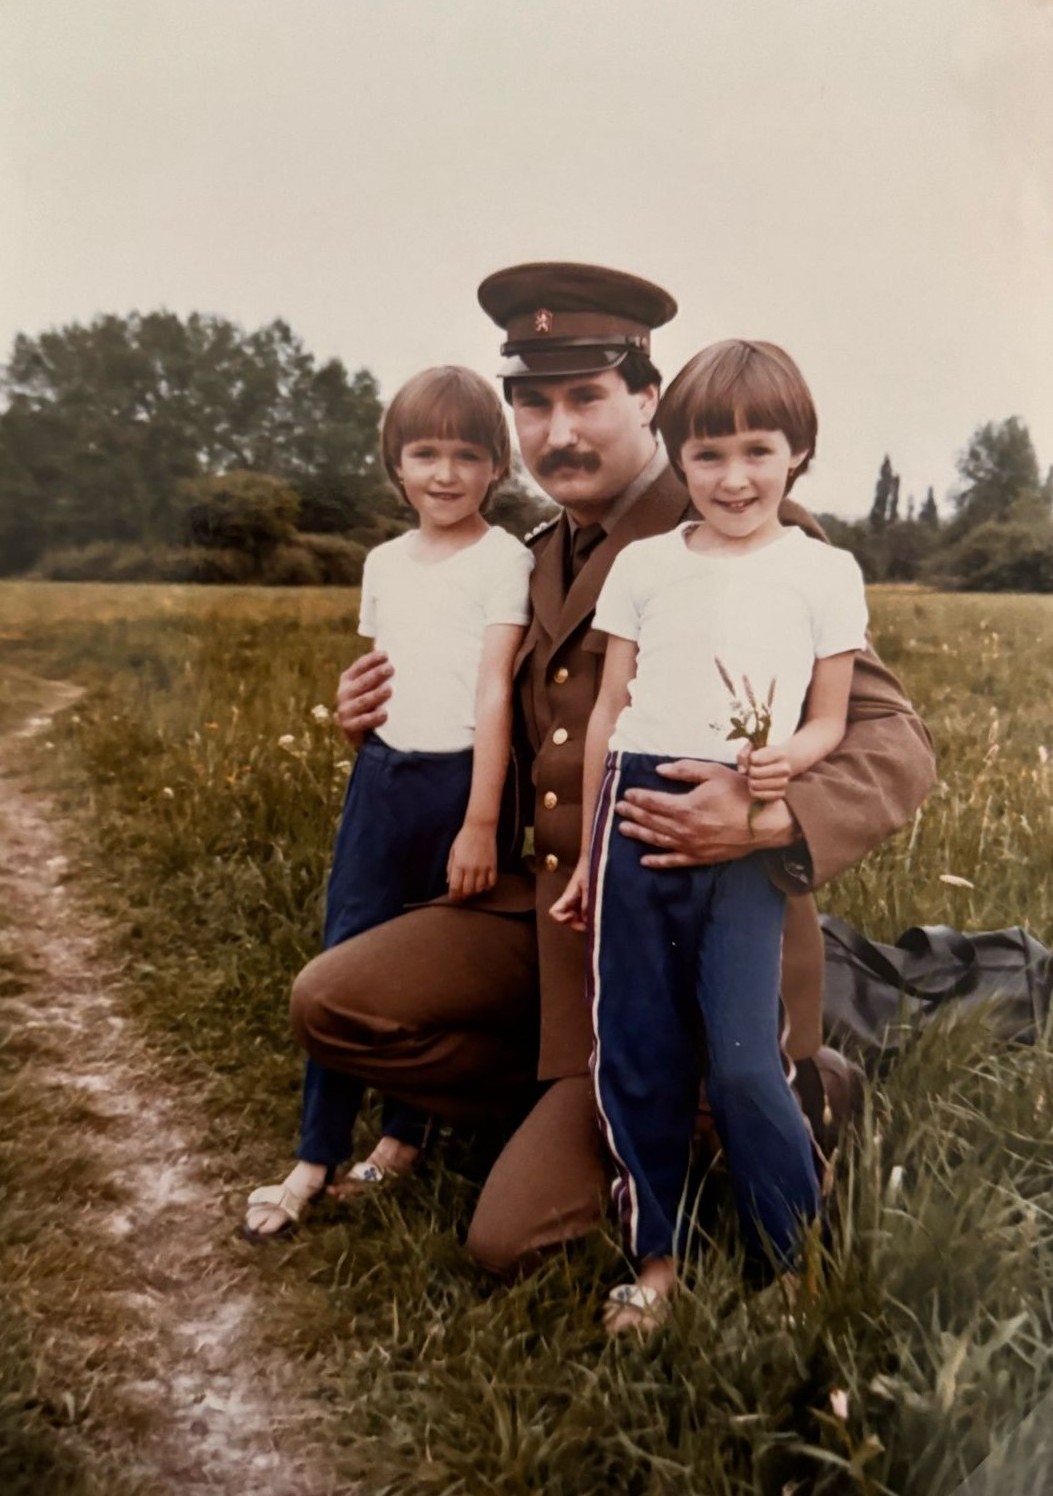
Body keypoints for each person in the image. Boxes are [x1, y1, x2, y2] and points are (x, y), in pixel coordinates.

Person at [289, 263, 936, 1276]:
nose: (559, 432)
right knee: (334, 1001)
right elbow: (519, 741)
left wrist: (769, 817)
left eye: (586, 397)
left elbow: (894, 739)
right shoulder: (537, 553)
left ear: (646, 399)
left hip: (689, 927)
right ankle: (582, 1088)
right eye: (533, 404)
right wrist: (377, 718)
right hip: (561, 920)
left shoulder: (737, 529)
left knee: (508, 1242)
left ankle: (781, 1083)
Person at [551, 338, 869, 1331]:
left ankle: (792, 1261)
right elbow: (609, 709)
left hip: (744, 819)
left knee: (740, 1053)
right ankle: (656, 1255)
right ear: (676, 456)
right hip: (635, 806)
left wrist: (780, 769)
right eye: (708, 455)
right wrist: (591, 851)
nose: (734, 478)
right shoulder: (643, 564)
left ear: (798, 453)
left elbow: (829, 718)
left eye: (758, 451)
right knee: (634, 1040)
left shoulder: (824, 572)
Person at [243, 366, 533, 1240]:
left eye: (467, 455)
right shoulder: (382, 563)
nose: (445, 474)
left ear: (496, 466)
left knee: (427, 961)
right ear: (395, 465)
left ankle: (403, 1137)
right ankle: (314, 1154)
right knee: (349, 947)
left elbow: (492, 692)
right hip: (381, 782)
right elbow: (379, 682)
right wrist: (357, 737)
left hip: (462, 787)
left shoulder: (505, 560)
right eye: (425, 454)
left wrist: (480, 822)